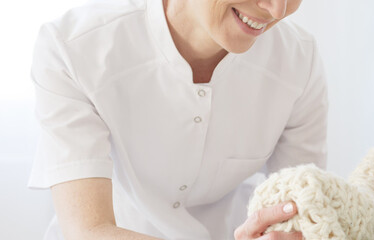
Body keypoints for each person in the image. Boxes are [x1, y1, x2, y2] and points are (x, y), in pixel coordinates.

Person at [27, 0, 326, 239]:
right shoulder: (75, 49)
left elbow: (301, 215)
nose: (278, 9)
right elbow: (89, 231)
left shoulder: (300, 61)